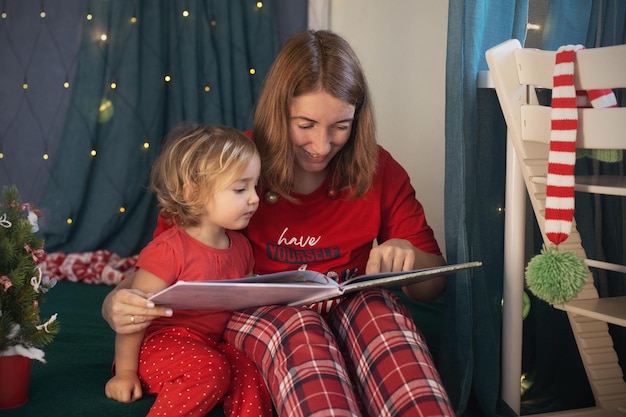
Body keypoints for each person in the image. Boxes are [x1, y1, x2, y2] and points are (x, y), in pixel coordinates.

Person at [103, 30, 455, 417]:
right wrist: (112, 305)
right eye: (305, 125)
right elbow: (164, 269)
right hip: (267, 313)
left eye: (341, 126)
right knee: (297, 330)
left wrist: (407, 257)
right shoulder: (225, 167)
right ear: (278, 111)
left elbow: (434, 285)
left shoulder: (379, 169)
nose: (321, 146)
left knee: (382, 314)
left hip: (351, 302)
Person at [104, 125, 272, 417]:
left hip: (211, 345)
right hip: (158, 347)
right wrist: (125, 372)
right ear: (194, 193)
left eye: (255, 186)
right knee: (211, 369)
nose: (255, 198)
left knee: (250, 372)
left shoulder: (242, 248)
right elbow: (135, 316)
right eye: (240, 188)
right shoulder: (168, 250)